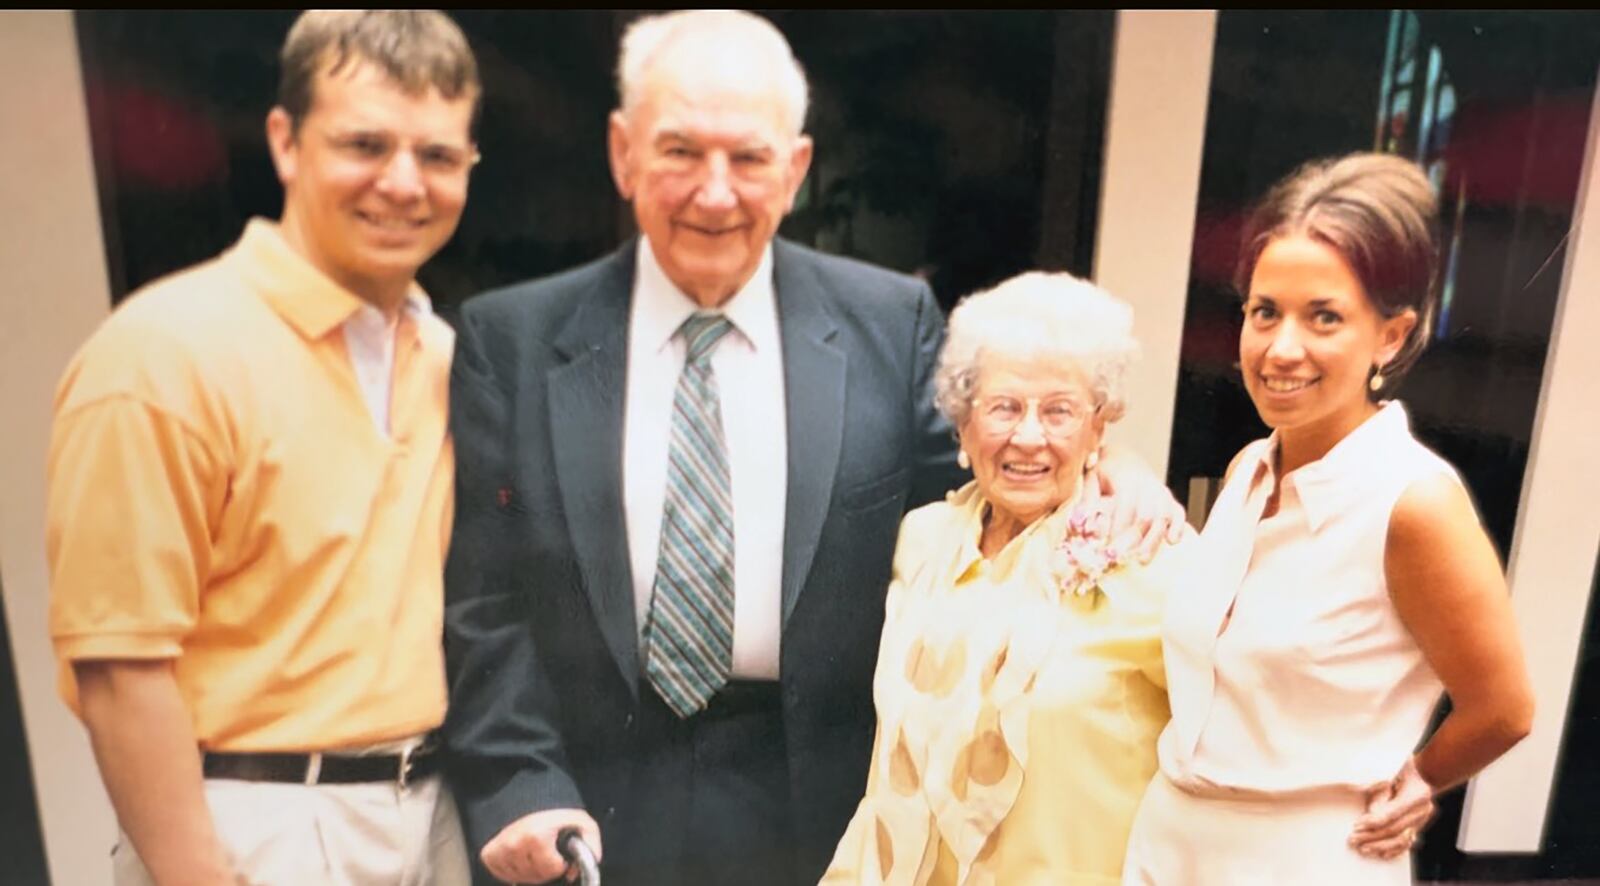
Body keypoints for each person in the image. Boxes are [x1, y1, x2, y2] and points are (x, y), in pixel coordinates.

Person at [442, 10, 1181, 886]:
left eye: (749, 158)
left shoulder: (888, 325)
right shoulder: (513, 340)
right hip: (585, 811)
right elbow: (483, 603)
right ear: (623, 153)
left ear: (794, 168)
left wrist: (1111, 464)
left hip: (825, 814)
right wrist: (522, 782)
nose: (714, 192)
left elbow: (995, 481)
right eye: (680, 151)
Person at [45, 11, 480, 885]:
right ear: (285, 142)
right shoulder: (165, 353)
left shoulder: (443, 357)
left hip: (432, 814)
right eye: (365, 144)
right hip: (260, 824)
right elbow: (120, 663)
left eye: (436, 155)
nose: (403, 183)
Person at [1122, 153, 1536, 884]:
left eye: (1325, 317)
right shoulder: (1252, 468)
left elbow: (1503, 708)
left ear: (1391, 335)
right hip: (1169, 843)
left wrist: (1418, 780)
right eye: (1264, 312)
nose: (1283, 349)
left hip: (1301, 860)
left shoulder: (1412, 503)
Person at [822, 272, 1188, 885]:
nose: (1028, 435)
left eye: (1059, 410)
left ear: (1100, 425)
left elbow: (1234, 736)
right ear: (962, 423)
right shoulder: (923, 541)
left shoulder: (1148, 552)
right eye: (1004, 407)